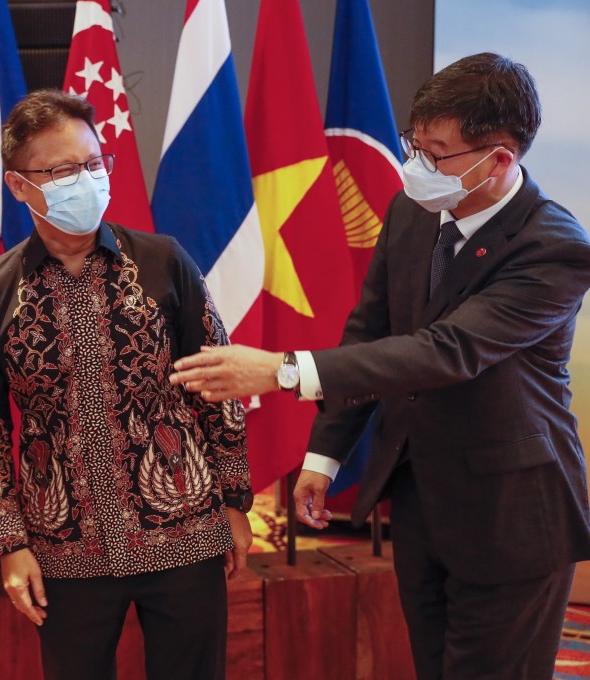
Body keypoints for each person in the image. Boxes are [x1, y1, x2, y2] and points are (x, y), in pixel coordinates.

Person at [170, 52, 590, 680]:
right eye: (413, 145)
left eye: (436, 153)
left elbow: (446, 350)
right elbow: (372, 330)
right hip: (422, 500)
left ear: (500, 158)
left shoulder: (554, 247)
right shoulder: (411, 210)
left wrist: (283, 370)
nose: (416, 166)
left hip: (513, 514)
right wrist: (324, 455)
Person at [0, 89, 254, 680]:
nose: (85, 180)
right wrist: (9, 543)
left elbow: (219, 386)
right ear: (19, 185)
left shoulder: (164, 262)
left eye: (93, 165)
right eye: (63, 170)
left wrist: (236, 502)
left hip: (185, 530)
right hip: (64, 547)